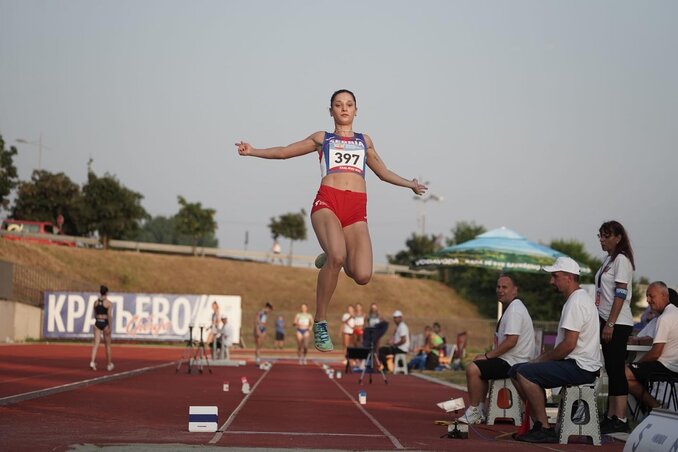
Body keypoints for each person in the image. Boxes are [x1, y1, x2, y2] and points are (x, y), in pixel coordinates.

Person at [236, 89, 427, 352]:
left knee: (362, 275)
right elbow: (284, 152)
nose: (344, 109)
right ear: (331, 111)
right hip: (328, 202)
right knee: (338, 254)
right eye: (338, 105)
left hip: (356, 210)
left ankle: (330, 255)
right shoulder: (321, 138)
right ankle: (320, 321)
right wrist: (253, 150)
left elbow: (382, 172)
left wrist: (410, 185)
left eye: (349, 105)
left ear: (356, 110)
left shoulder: (364, 141)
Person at [509, 257, 602, 444]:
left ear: (568, 277)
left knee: (525, 373)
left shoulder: (576, 302)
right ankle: (539, 424)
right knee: (514, 371)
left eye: (555, 276)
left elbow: (568, 345)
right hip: (578, 364)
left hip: (580, 367)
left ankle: (544, 427)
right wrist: (541, 360)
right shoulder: (577, 299)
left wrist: (539, 360)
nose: (551, 281)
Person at [458, 273, 535, 425]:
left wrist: (487, 356)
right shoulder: (512, 308)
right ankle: (479, 410)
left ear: (515, 290)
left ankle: (474, 410)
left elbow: (511, 341)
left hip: (514, 362)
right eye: (498, 287)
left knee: (473, 369)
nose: (500, 290)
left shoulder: (514, 310)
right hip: (511, 359)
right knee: (481, 367)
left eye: (505, 287)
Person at [594, 221, 636, 434]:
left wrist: (610, 322)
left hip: (618, 322)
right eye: (600, 236)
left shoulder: (621, 260)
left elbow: (621, 293)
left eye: (606, 236)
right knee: (611, 368)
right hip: (606, 319)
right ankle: (611, 414)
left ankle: (620, 417)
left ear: (618, 237)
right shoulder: (608, 260)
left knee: (617, 368)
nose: (602, 240)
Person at [624, 282, 678, 421]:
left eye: (651, 296)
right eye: (647, 296)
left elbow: (656, 353)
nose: (648, 300)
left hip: (666, 367)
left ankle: (657, 408)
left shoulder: (665, 318)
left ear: (664, 296)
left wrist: (636, 365)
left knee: (622, 374)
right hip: (672, 366)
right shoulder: (673, 313)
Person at [89, 285, 114, 371]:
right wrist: (110, 327)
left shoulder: (95, 302)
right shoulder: (108, 303)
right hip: (105, 323)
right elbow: (109, 316)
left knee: (96, 344)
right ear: (106, 293)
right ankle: (109, 364)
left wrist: (97, 320)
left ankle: (92, 362)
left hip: (97, 322)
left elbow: (95, 314)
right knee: (107, 345)